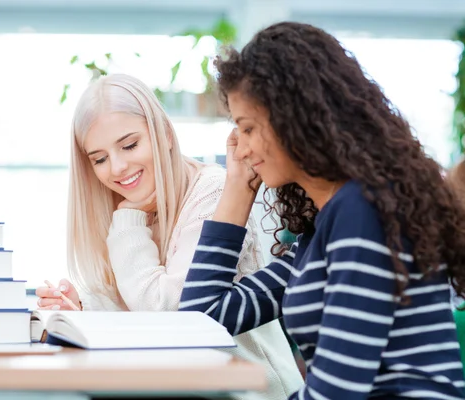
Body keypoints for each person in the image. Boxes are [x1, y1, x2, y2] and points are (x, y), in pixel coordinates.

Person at [180, 22, 465, 399]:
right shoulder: (321, 232)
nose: (241, 149)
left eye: (247, 129)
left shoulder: (363, 212)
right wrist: (237, 189)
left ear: (293, 117)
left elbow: (337, 392)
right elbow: (201, 322)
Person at [35, 73, 304, 398]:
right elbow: (137, 314)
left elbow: (172, 317)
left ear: (165, 135)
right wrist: (83, 306)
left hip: (253, 392)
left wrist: (127, 220)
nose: (117, 167)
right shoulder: (130, 203)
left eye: (130, 145)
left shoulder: (212, 192)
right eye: (100, 159)